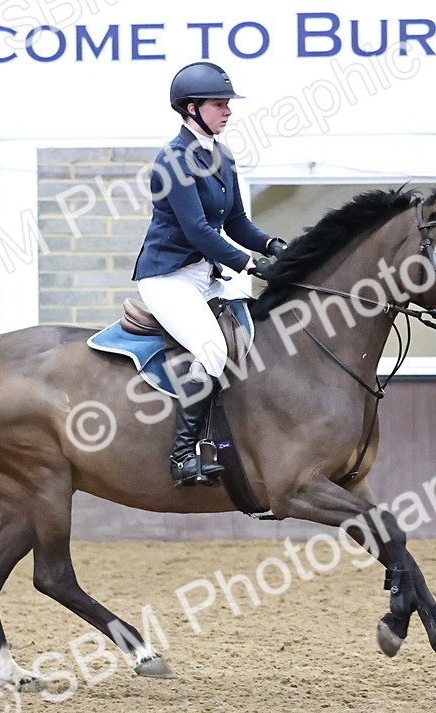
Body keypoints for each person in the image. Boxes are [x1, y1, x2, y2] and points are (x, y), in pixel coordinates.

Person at [132, 61, 286, 488]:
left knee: (258, 331)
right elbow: (197, 230)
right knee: (214, 350)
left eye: (227, 104)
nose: (228, 111)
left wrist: (274, 246)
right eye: (219, 104)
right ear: (191, 108)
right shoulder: (172, 160)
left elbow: (235, 222)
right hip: (168, 278)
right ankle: (183, 456)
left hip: (205, 275)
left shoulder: (221, 156)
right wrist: (249, 264)